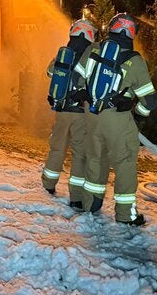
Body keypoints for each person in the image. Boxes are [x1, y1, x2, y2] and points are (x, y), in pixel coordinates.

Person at [74, 12, 157, 225]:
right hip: (118, 120)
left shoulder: (93, 50)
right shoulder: (135, 60)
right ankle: (125, 215)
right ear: (132, 34)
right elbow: (150, 100)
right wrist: (138, 116)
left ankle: (90, 203)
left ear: (111, 28)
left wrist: (88, 98)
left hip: (92, 115)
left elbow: (76, 80)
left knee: (95, 158)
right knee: (125, 163)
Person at [41, 18, 95, 210]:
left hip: (62, 109)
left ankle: (48, 184)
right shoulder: (92, 53)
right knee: (80, 154)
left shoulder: (64, 51)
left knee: (57, 148)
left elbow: (49, 72)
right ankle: (76, 197)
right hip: (81, 112)